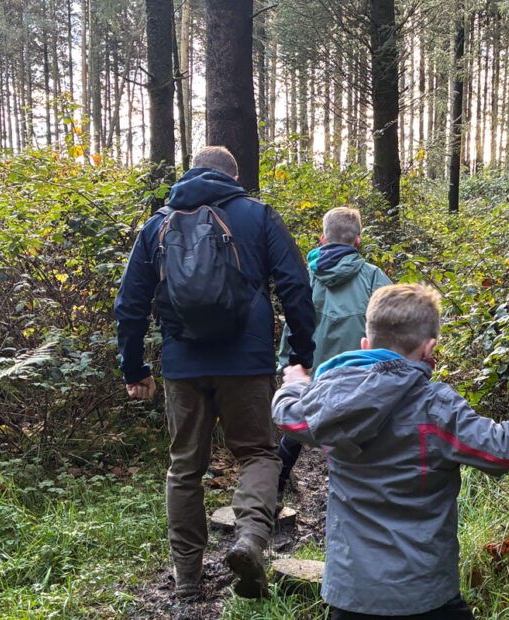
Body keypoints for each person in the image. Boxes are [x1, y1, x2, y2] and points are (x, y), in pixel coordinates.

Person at [272, 284, 509, 619]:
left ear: (366, 343)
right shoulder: (437, 408)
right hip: (424, 592)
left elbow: (289, 416)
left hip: (352, 594)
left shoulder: (330, 401)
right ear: (430, 347)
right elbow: (504, 450)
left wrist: (296, 386)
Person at [114, 146, 316, 600]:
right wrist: (301, 352)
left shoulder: (157, 225)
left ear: (193, 171)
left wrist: (134, 367)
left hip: (183, 366)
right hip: (247, 363)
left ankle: (187, 578)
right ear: (234, 175)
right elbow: (296, 287)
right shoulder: (258, 215)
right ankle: (248, 540)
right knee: (258, 455)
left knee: (185, 468)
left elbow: (129, 305)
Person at [276, 207, 392, 502]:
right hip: (362, 377)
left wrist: (287, 365)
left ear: (322, 238)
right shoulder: (373, 278)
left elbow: (294, 323)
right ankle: (358, 496)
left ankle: (273, 492)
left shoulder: (306, 278)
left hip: (315, 375)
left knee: (297, 430)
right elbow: (394, 325)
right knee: (362, 436)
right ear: (358, 241)